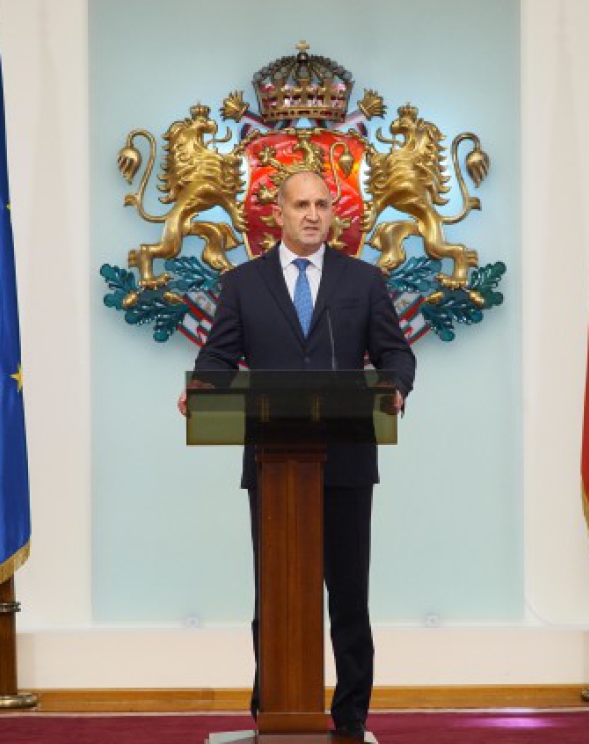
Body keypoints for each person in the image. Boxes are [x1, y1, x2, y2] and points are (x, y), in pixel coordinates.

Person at [178, 170, 416, 739]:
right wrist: (202, 387)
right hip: (275, 465)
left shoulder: (363, 281)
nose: (312, 214)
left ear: (333, 214)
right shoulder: (243, 283)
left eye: (322, 205)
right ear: (278, 214)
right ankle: (274, 709)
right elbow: (217, 358)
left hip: (347, 461)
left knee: (349, 598)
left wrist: (397, 386)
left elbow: (395, 354)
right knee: (276, 594)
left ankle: (351, 718)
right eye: (301, 205)